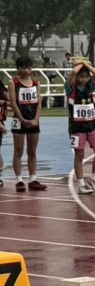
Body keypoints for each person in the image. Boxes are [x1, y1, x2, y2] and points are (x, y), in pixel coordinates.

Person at [7, 56, 46, 192]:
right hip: (19, 120)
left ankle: (33, 179)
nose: (26, 70)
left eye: (29, 67)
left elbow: (39, 102)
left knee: (32, 151)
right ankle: (19, 180)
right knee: (18, 150)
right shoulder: (13, 82)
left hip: (33, 120)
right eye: (23, 67)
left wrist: (36, 119)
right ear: (18, 68)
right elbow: (13, 103)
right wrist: (22, 119)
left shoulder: (36, 83)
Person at [67, 59, 95, 193]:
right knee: (79, 155)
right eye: (81, 77)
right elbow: (72, 73)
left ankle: (93, 178)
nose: (84, 79)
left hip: (92, 125)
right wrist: (80, 65)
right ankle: (81, 184)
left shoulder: (90, 87)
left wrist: (86, 65)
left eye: (86, 77)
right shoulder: (70, 88)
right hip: (77, 127)